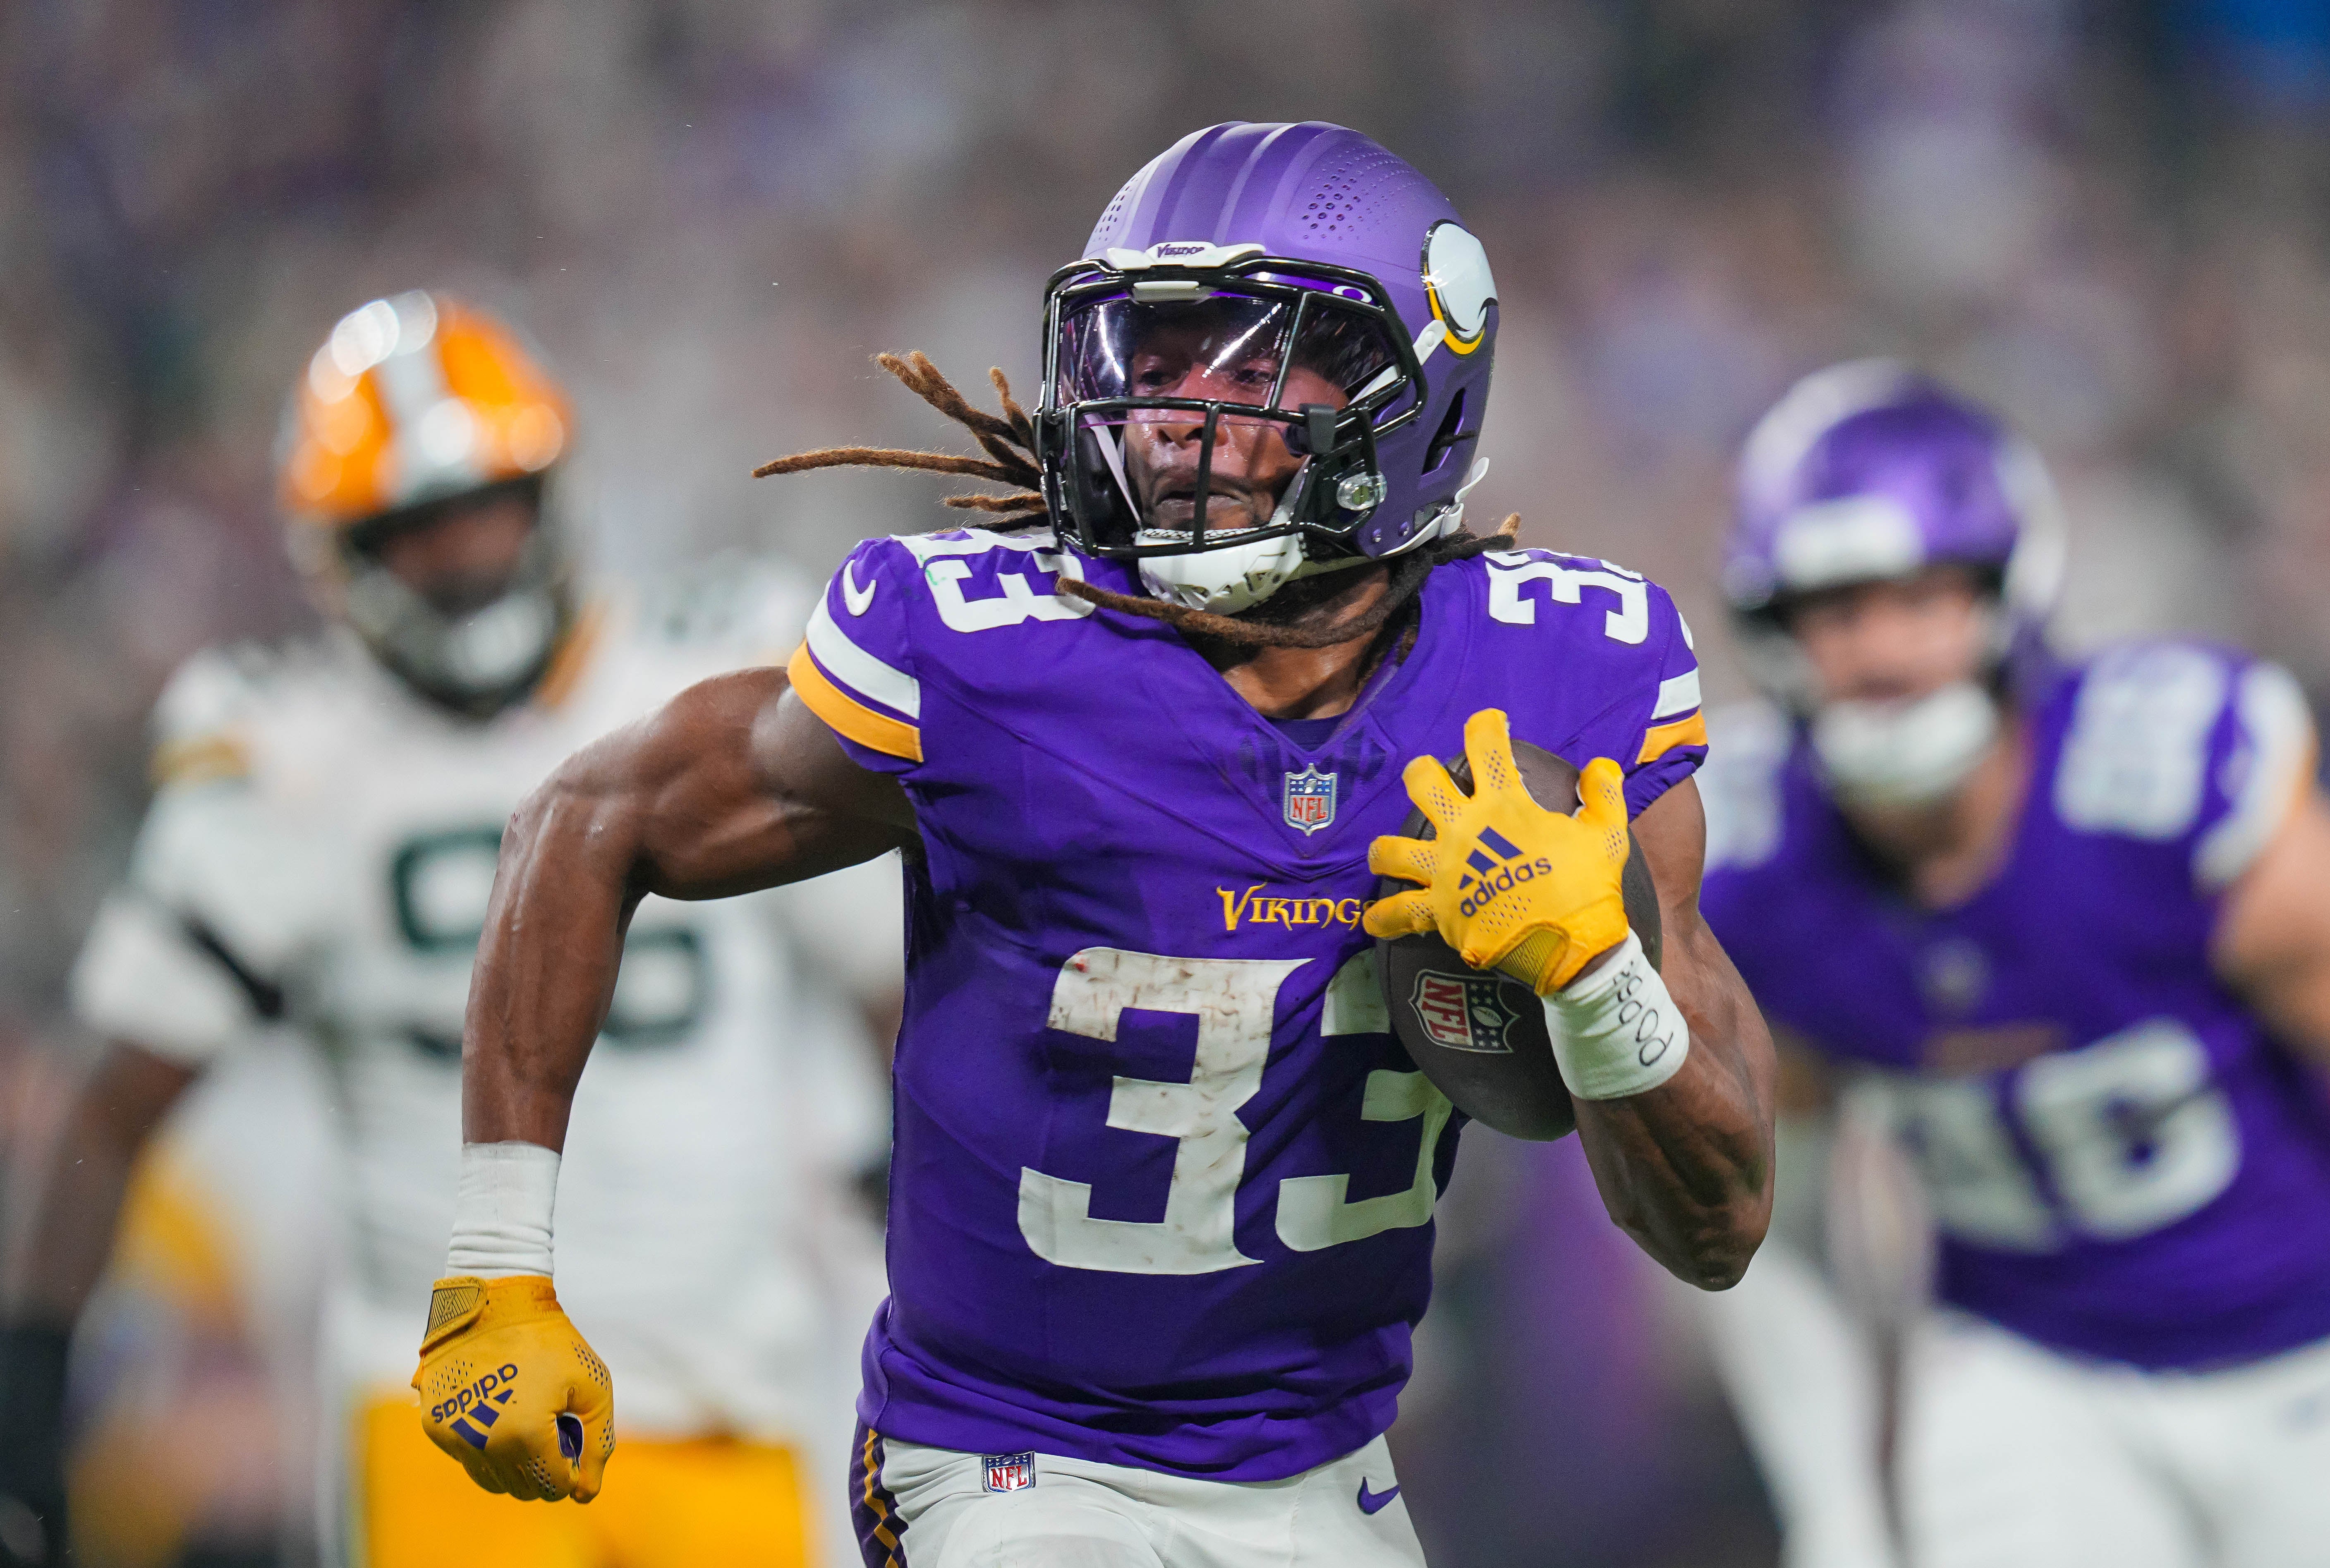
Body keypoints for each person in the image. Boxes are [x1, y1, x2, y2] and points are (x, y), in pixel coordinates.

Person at [409, 121, 1776, 1568]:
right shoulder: (990, 657)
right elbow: (587, 816)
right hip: (1009, 1459)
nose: (1179, 412)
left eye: (1253, 365)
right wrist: (501, 1267)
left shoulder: (1560, 681)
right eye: (1155, 354)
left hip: (1323, 1470)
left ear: (1415, 392)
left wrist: (1597, 975)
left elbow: (1718, 1225)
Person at [0, 291, 895, 1568]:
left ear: (552, 494)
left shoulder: (707, 669)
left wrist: (921, 1151)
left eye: (485, 506)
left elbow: (890, 977)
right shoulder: (290, 756)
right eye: (417, 529)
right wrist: (29, 1380)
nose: (465, 555)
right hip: (449, 1424)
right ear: (338, 555)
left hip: (734, 1401)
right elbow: (113, 1097)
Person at [1695, 360, 2330, 1568]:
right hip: (2035, 1375)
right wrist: (1832, 1493)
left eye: (1919, 599)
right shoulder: (1753, 866)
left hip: (2311, 1353)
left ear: (2006, 594)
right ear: (1774, 630)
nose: (1882, 652)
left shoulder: (2158, 784)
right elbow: (1743, 1216)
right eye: (1838, 611)